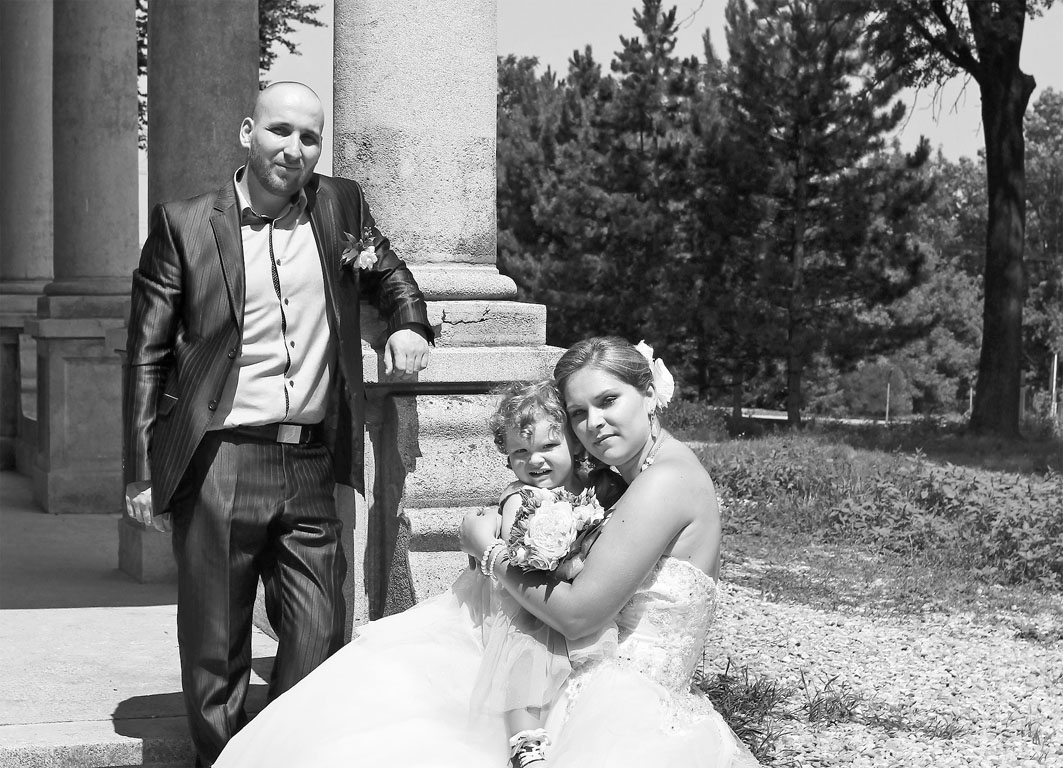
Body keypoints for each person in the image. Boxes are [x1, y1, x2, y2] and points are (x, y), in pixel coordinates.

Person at [213, 337, 759, 768]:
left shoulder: (663, 482)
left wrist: (491, 552)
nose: (593, 423)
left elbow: (579, 614)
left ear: (650, 394)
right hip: (581, 669)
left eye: (609, 401)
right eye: (578, 412)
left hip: (619, 705)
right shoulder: (633, 475)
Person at [122, 81, 432, 767]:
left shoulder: (339, 205)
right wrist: (142, 470)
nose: (294, 149)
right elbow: (146, 351)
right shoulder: (183, 223)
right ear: (248, 132)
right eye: (280, 131)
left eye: (309, 137)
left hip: (311, 459)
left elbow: (389, 272)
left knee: (319, 634)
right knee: (216, 649)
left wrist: (408, 323)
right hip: (220, 458)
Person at [475, 380, 619, 767]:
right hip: (531, 602)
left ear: (574, 443)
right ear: (507, 458)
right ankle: (524, 744)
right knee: (526, 657)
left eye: (548, 446)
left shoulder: (593, 487)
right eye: (520, 452)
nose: (534, 460)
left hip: (577, 595)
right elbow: (518, 549)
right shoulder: (521, 497)